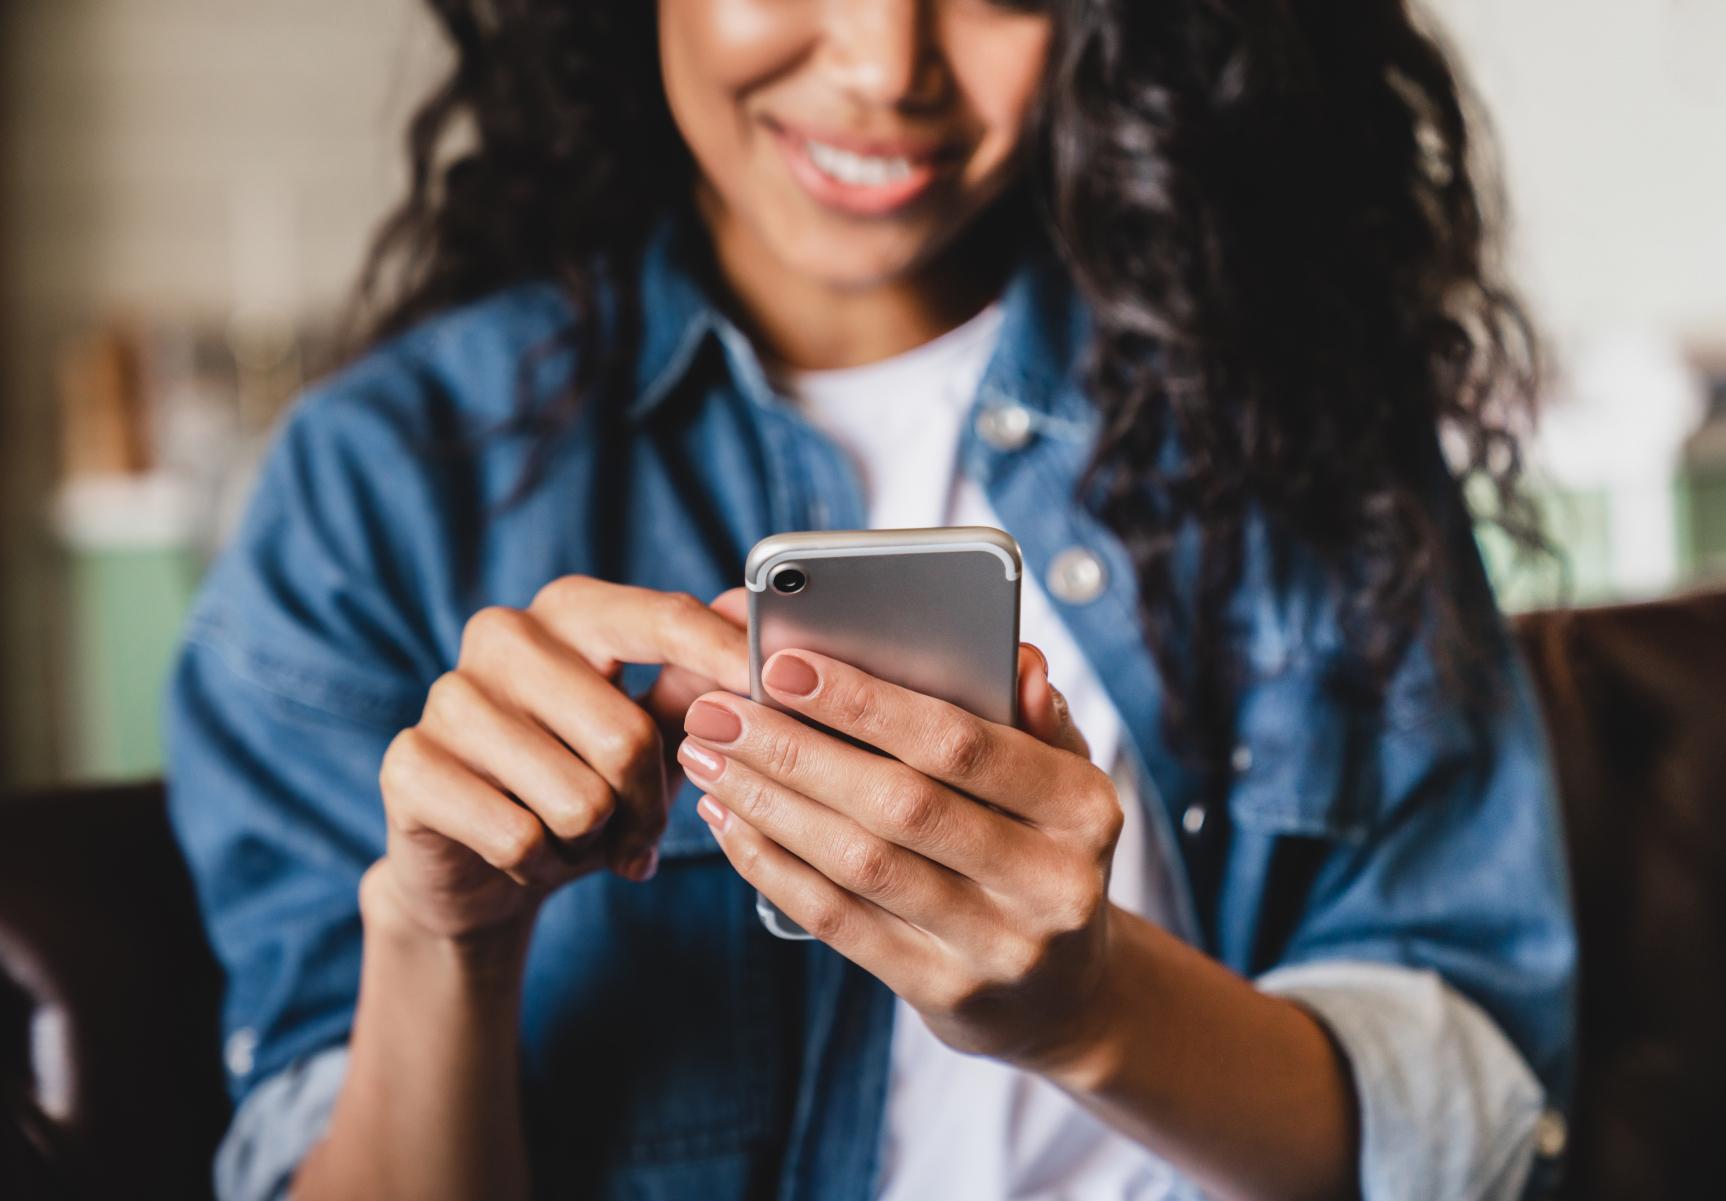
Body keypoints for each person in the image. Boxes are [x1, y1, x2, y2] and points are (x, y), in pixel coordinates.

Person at [165, 2, 1576, 1200]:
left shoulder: (1292, 413)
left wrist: (1090, 1010)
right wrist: (441, 939)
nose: (887, 63)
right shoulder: (385, 486)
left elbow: (1476, 1117)